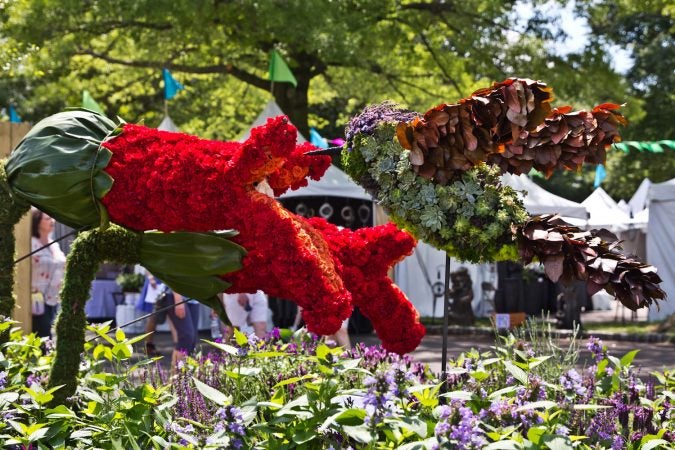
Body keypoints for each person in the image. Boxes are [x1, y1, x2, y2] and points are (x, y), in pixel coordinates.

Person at [30, 208, 66, 338]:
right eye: (47, 218)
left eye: (52, 218)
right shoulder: (30, 244)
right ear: (37, 222)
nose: (52, 221)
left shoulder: (53, 244)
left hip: (54, 299)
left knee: (48, 334)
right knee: (43, 334)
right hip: (36, 299)